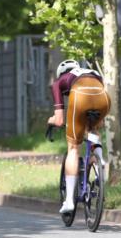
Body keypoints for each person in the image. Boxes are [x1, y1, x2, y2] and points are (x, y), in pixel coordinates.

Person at [47, 58, 111, 214]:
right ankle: (98, 160)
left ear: (62, 73)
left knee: (73, 148)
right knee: (94, 128)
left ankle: (69, 200)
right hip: (103, 97)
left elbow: (59, 119)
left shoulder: (59, 82)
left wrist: (50, 121)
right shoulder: (92, 73)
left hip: (81, 96)